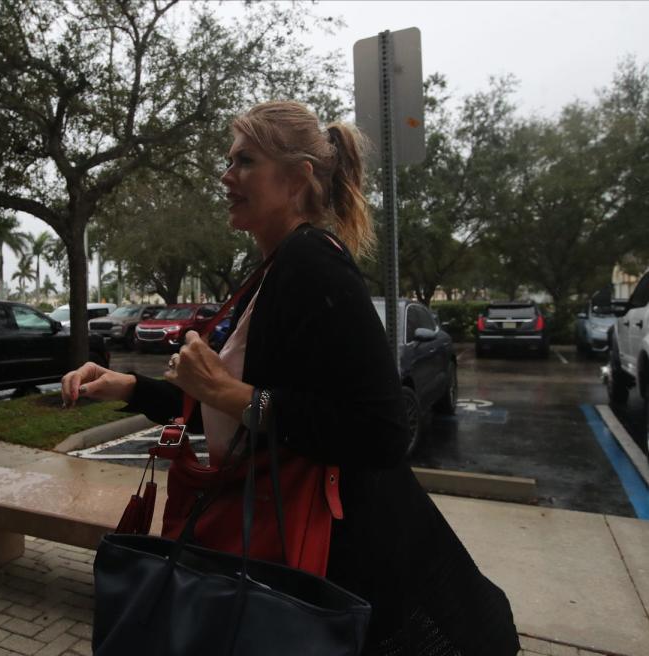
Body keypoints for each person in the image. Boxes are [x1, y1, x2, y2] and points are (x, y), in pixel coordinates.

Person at [61, 101, 519, 655]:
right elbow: (228, 403)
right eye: (229, 161)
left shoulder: (312, 263)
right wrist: (129, 386)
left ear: (297, 177)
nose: (227, 176)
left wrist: (232, 393)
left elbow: (381, 431)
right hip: (306, 551)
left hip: (351, 567)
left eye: (245, 161)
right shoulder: (273, 268)